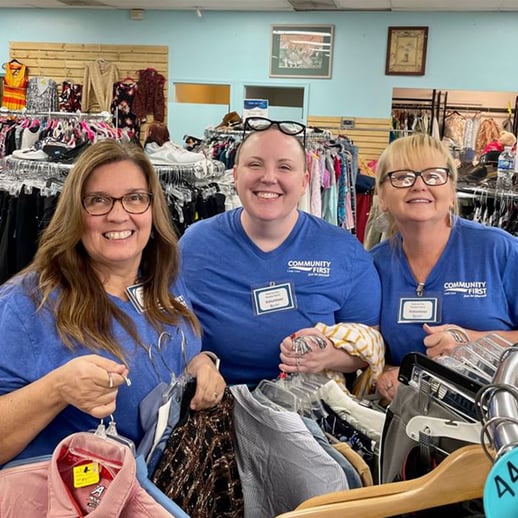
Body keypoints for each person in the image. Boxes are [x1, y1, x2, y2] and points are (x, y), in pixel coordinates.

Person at [0, 139, 225, 466]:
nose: (119, 215)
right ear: (76, 211)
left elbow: (170, 352)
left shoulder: (164, 276)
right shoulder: (27, 305)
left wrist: (199, 363)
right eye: (99, 200)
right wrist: (57, 389)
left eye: (134, 198)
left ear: (152, 207)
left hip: (172, 488)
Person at [179, 117, 381, 386]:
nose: (269, 178)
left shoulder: (345, 252)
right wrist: (198, 361)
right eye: (255, 164)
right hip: (213, 407)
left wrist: (329, 357)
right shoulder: (195, 243)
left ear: (304, 181)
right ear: (236, 175)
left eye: (285, 167)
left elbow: (369, 342)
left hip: (306, 414)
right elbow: (169, 326)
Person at [370, 133, 518, 401]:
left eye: (434, 175)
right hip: (406, 427)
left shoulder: (499, 250)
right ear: (382, 196)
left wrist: (470, 341)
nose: (418, 185)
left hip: (494, 423)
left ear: (451, 192)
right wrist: (386, 373)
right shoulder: (373, 265)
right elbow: (370, 349)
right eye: (402, 177)